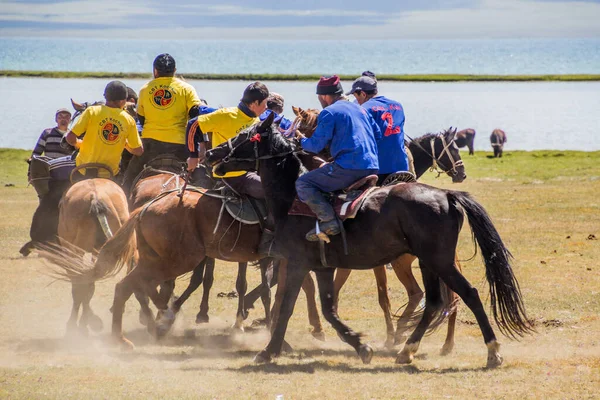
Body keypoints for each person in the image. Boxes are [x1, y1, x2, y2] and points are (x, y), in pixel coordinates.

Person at [22, 81, 143, 255]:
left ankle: (48, 238)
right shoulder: (128, 119)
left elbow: (70, 138)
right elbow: (138, 150)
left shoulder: (91, 112)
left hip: (81, 171)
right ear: (123, 101)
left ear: (105, 97)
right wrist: (123, 144)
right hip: (109, 174)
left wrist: (80, 144)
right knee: (126, 202)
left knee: (55, 200)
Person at [186, 82, 273, 254]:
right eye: (265, 104)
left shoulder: (255, 120)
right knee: (273, 192)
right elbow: (193, 125)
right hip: (233, 176)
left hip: (247, 173)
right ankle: (269, 241)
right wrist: (193, 155)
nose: (266, 108)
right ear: (254, 103)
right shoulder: (227, 115)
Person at [295, 75, 380, 241]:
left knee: (303, 182)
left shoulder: (328, 112)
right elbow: (377, 134)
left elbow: (315, 146)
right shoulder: (361, 109)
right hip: (373, 165)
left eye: (320, 97)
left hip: (350, 168)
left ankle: (328, 221)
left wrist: (300, 139)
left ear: (325, 96)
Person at [121, 53, 201, 193]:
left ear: (155, 71)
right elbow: (195, 115)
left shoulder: (145, 89)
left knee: (129, 177)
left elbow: (142, 119)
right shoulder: (187, 88)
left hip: (150, 146)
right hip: (180, 146)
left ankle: (125, 205)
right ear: (174, 71)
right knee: (201, 178)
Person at [347, 75, 409, 184]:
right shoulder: (398, 106)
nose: (356, 101)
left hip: (379, 169)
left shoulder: (364, 109)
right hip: (402, 166)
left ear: (363, 93)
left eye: (356, 96)